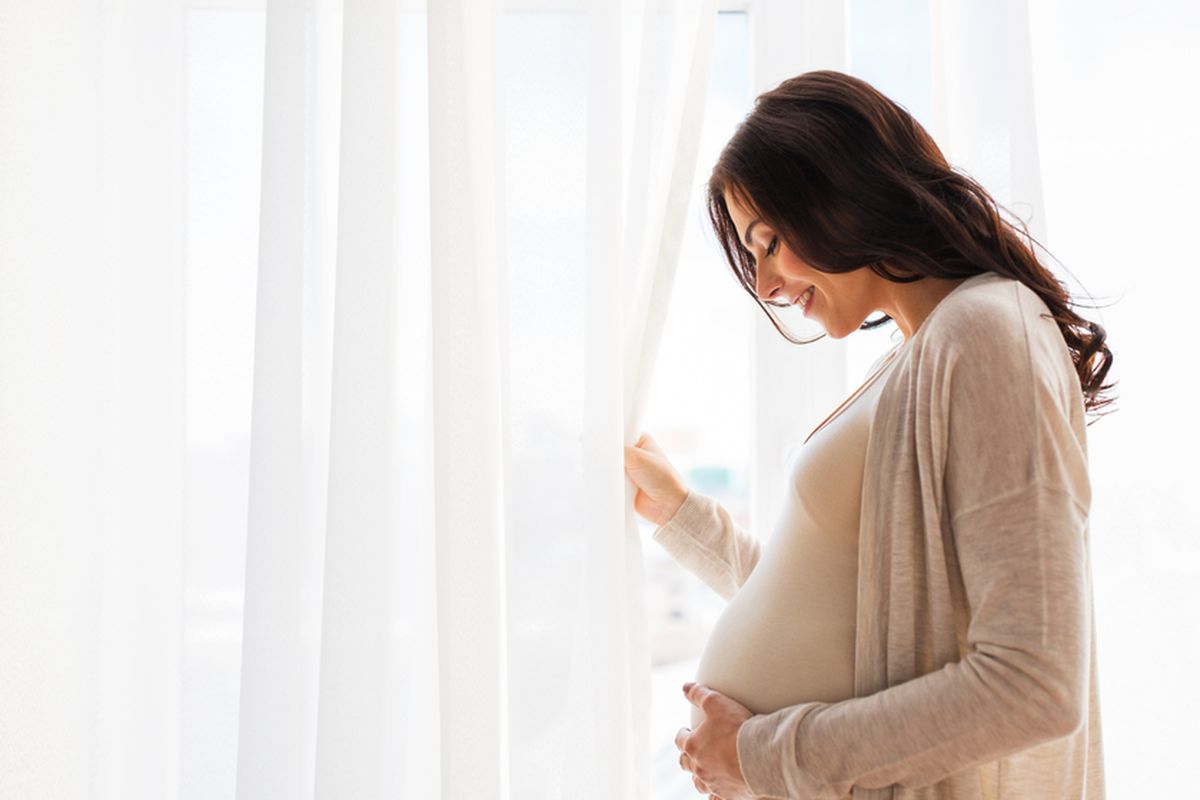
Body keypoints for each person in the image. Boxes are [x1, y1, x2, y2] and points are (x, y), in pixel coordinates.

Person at [623, 70, 1115, 800]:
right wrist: (681, 517)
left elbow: (1033, 682)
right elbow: (849, 612)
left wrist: (760, 753)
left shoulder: (987, 333)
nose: (766, 285)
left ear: (839, 193)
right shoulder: (925, 351)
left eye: (771, 242)